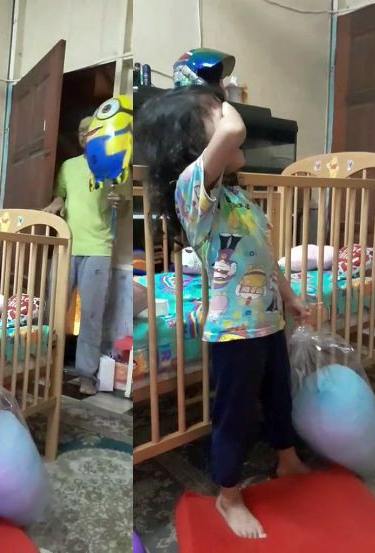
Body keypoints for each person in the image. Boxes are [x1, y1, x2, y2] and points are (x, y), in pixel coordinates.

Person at [136, 85, 310, 539]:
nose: (230, 121)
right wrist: (223, 95)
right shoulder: (191, 192)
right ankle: (228, 495)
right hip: (234, 332)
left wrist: (290, 297)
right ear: (196, 144)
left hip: (268, 320)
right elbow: (232, 129)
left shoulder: (239, 200)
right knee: (235, 415)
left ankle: (287, 458)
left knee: (279, 396)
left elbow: (264, 257)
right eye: (215, 115)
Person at [44, 115, 113, 395]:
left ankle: (87, 375)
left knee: (92, 315)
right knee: (52, 309)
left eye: (90, 130)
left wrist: (117, 198)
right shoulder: (68, 166)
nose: (84, 134)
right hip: (66, 245)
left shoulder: (111, 165)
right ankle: (45, 365)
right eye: (81, 130)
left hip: (98, 248)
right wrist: (54, 205)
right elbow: (61, 195)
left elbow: (119, 199)